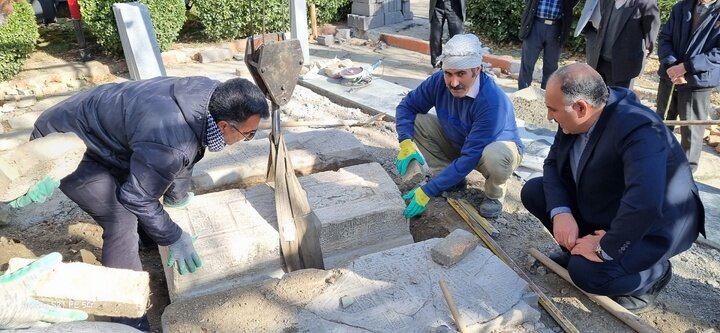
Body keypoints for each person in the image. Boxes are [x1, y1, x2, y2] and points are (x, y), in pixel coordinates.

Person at [29, 76, 269, 330]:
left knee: (145, 180)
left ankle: (146, 241)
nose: (248, 138)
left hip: (98, 130)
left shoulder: (208, 98)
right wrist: (173, 237)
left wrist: (178, 197)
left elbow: (188, 149)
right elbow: (139, 193)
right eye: (248, 134)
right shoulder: (170, 141)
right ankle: (127, 319)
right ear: (224, 126)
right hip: (64, 144)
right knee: (121, 218)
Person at [521, 63, 705, 313]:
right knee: (534, 191)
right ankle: (577, 249)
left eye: (552, 110)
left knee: (585, 274)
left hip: (652, 225)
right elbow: (553, 163)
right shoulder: (577, 116)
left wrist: (604, 247)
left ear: (581, 107)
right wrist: (561, 212)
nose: (549, 117)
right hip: (610, 204)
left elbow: (644, 202)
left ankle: (652, 276)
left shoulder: (639, 128)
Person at [396, 33, 524, 219]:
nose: (453, 82)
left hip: (491, 149)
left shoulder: (491, 101)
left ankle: (494, 195)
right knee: (417, 121)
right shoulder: (438, 81)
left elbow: (470, 156)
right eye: (448, 73)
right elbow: (407, 106)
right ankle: (447, 179)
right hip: (460, 139)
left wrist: (427, 191)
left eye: (461, 74)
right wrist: (405, 142)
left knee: (496, 156)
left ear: (477, 70)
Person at [656, 0, 720, 173]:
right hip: (670, 76)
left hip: (698, 81)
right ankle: (656, 164)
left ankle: (685, 176)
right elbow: (665, 38)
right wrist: (671, 65)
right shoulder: (681, 6)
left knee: (692, 132)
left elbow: (718, 53)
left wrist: (686, 68)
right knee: (661, 123)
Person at [588, 0, 659, 88]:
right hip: (600, 61)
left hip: (623, 66)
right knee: (599, 98)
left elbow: (651, 29)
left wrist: (648, 48)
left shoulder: (645, 2)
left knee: (619, 99)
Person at [518, 0, 579, 89]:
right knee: (527, 63)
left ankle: (546, 95)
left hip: (556, 28)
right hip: (535, 25)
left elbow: (571, 3)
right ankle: (523, 94)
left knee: (551, 66)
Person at [429, 0, 465, 68]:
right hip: (437, 5)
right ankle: (436, 63)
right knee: (435, 36)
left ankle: (456, 63)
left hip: (455, 6)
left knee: (457, 37)